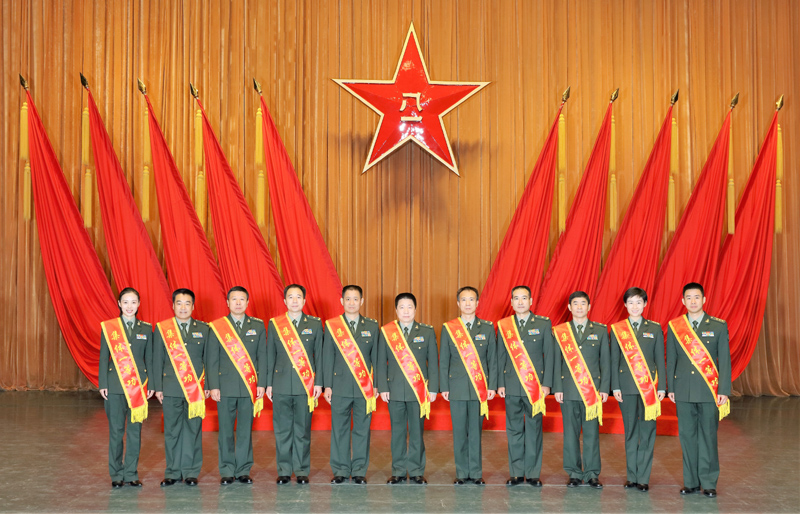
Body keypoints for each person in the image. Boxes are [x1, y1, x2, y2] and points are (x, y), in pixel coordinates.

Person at [666, 282, 731, 498]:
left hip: (709, 391)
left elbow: (725, 361)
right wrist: (671, 387)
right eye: (689, 297)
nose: (693, 301)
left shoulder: (718, 326)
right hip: (683, 391)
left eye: (696, 297)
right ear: (682, 301)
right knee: (687, 436)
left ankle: (709, 482)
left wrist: (724, 389)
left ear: (704, 300)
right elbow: (671, 359)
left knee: (708, 436)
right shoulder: (675, 326)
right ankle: (691, 482)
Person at [207, 286, 267, 485]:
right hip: (224, 387)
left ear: (248, 302)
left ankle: (243, 470)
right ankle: (226, 469)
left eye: (242, 299)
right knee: (225, 430)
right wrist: (213, 385)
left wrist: (262, 383)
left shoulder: (257, 326)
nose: (238, 303)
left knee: (245, 430)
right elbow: (212, 359)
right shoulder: (217, 326)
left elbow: (262, 357)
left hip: (249, 387)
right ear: (227, 302)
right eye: (234, 299)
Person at [377, 292, 439, 485]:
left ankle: (416, 471)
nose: (406, 311)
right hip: (394, 390)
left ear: (415, 309)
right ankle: (398, 471)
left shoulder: (427, 332)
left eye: (409, 307)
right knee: (397, 433)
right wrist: (383, 387)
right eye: (402, 307)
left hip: (418, 392)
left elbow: (433, 363)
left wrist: (433, 388)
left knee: (416, 433)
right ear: (396, 310)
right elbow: (380, 362)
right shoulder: (387, 332)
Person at [153, 288, 211, 487]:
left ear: (193, 306)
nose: (183, 307)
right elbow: (157, 360)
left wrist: (208, 385)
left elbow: (208, 359)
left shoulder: (204, 329)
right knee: (172, 430)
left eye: (187, 303)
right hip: (170, 388)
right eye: (179, 303)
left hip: (196, 389)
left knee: (193, 429)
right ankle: (172, 472)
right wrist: (158, 387)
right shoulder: (163, 329)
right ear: (173, 305)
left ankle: (191, 472)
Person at [266, 284, 323, 485]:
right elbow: (270, 355)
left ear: (304, 301)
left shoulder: (315, 324)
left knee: (302, 430)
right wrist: (268, 384)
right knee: (282, 430)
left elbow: (320, 356)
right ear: (284, 301)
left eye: (298, 297)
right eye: (291, 297)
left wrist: (319, 383)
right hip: (280, 384)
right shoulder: (275, 324)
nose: (295, 300)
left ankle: (301, 470)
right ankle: (283, 470)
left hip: (305, 386)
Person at [496, 285, 553, 487]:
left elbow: (550, 355)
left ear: (531, 301)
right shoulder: (504, 325)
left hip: (535, 387)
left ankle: (533, 473)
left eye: (524, 298)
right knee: (514, 430)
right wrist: (500, 383)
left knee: (534, 429)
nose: (520, 302)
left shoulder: (543, 324)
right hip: (511, 386)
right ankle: (517, 473)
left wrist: (547, 384)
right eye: (516, 298)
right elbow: (500, 356)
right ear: (511, 302)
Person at [439, 286, 497, 485]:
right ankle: (462, 473)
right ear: (458, 303)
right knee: (459, 433)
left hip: (479, 389)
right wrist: (444, 387)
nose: (468, 303)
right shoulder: (449, 328)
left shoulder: (487, 328)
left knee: (475, 433)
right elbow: (444, 360)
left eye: (471, 299)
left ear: (477, 303)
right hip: (456, 388)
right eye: (464, 300)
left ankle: (476, 472)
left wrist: (492, 385)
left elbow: (492, 360)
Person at [610, 287, 665, 492]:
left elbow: (660, 360)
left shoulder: (655, 328)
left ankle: (643, 477)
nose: (635, 306)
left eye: (639, 302)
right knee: (630, 432)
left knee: (648, 432)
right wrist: (615, 386)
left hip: (649, 388)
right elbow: (614, 360)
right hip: (626, 388)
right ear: (625, 305)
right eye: (631, 302)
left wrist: (662, 387)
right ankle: (632, 476)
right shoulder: (617, 329)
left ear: (645, 304)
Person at [552, 291, 610, 489]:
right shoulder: (560, 331)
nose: (579, 307)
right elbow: (556, 362)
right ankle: (574, 473)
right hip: (568, 390)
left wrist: (604, 388)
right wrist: (557, 388)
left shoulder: (600, 330)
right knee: (570, 434)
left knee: (592, 434)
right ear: (569, 307)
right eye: (575, 303)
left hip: (592, 391)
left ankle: (592, 473)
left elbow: (605, 362)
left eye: (583, 303)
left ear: (589, 306)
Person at [323, 285, 379, 485]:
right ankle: (340, 470)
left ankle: (359, 471)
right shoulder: (332, 326)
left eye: (356, 299)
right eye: (348, 299)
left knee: (362, 430)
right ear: (342, 301)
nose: (352, 303)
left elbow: (377, 358)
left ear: (362, 301)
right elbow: (327, 357)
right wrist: (327, 385)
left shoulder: (372, 326)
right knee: (339, 429)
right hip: (339, 386)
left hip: (365, 388)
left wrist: (377, 385)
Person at [99, 287, 154, 488]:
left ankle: (131, 473)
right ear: (119, 304)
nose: (129, 306)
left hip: (138, 387)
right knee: (116, 431)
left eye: (133, 302)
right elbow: (104, 357)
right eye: (125, 302)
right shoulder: (109, 327)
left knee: (134, 432)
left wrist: (152, 384)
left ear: (139, 304)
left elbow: (149, 358)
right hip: (114, 386)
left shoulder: (146, 329)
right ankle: (116, 474)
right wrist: (103, 384)